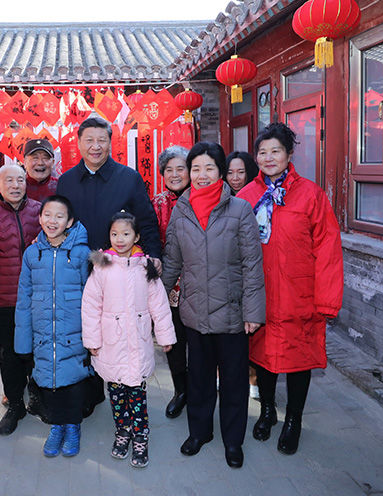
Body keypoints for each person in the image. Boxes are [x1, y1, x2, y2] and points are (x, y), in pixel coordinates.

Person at [236, 123, 343, 455]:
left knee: (299, 360)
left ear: (289, 154)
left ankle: (294, 420)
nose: (268, 158)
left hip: (300, 297)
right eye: (262, 152)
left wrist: (326, 301)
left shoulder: (311, 195)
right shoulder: (245, 197)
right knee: (263, 357)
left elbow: (328, 250)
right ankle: (268, 411)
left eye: (276, 151)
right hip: (261, 295)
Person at [161, 141, 266, 469]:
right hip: (194, 312)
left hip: (232, 313)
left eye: (209, 168)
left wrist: (253, 312)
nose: (202, 175)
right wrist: (155, 304)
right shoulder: (181, 210)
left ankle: (233, 441)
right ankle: (199, 432)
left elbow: (252, 265)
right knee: (199, 378)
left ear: (221, 172)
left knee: (233, 381)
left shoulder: (240, 210)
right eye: (196, 168)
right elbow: (172, 261)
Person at [81, 212, 176, 468]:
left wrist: (165, 335)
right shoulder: (102, 266)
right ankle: (122, 431)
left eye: (125, 234)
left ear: (136, 237)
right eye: (114, 234)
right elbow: (90, 306)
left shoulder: (145, 267)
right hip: (111, 344)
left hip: (138, 343)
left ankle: (141, 436)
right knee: (116, 394)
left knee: (136, 395)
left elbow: (159, 305)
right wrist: (92, 340)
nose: (120, 239)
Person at [15, 195, 91, 458]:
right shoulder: (32, 254)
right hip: (43, 332)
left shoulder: (81, 253)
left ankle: (73, 426)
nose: (52, 221)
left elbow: (92, 296)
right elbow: (24, 298)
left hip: (74, 331)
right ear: (39, 218)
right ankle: (57, 425)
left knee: (74, 379)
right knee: (49, 380)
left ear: (69, 222)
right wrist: (23, 341)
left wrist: (93, 335)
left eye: (59, 216)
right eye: (47, 215)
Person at [0, 163, 42, 435]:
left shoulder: (40, 211)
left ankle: (37, 396)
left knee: (37, 350)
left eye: (20, 180)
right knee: (10, 353)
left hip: (36, 297)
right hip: (3, 299)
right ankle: (15, 404)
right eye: (9, 181)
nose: (15, 185)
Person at [56, 116, 162, 257]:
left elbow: (146, 223)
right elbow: (57, 224)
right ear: (79, 143)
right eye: (89, 140)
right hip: (75, 263)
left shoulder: (130, 178)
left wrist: (154, 256)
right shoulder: (66, 182)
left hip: (119, 263)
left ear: (110, 143)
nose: (95, 147)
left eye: (102, 140)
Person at [151, 145, 190, 419]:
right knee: (173, 340)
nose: (175, 175)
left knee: (199, 343)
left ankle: (199, 390)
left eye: (180, 169)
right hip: (168, 284)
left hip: (200, 282)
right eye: (169, 170)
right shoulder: (156, 204)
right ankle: (181, 390)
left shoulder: (202, 199)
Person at [225, 150, 262, 400]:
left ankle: (253, 377)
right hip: (226, 274)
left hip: (251, 272)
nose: (235, 178)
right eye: (230, 172)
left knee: (252, 332)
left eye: (241, 172)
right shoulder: (219, 199)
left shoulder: (259, 199)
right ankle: (223, 374)